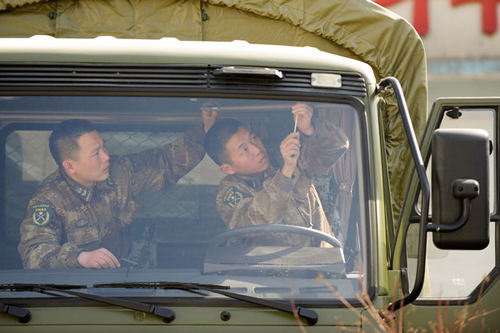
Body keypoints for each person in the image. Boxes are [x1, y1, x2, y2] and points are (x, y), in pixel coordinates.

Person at [19, 110, 218, 269]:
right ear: (70, 166)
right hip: (80, 293)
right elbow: (33, 254)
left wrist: (204, 133)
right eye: (96, 153)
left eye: (103, 147)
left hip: (126, 283)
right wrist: (79, 258)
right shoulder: (48, 200)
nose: (106, 156)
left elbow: (166, 163)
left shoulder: (119, 171)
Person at [204, 103, 349, 245]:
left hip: (323, 262)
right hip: (267, 268)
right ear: (228, 169)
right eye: (244, 150)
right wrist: (286, 173)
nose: (257, 149)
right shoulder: (229, 193)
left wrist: (309, 129)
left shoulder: (281, 156)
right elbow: (253, 223)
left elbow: (337, 147)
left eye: (253, 138)